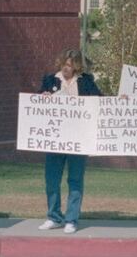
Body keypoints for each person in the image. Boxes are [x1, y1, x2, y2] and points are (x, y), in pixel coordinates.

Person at [37, 49, 102, 234]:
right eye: (64, 64)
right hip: (55, 138)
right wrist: (43, 96)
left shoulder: (86, 81)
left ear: (77, 67)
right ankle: (54, 217)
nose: (66, 68)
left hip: (78, 139)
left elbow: (100, 102)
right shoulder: (50, 80)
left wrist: (120, 100)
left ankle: (71, 219)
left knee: (75, 180)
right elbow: (36, 102)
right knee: (51, 179)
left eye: (70, 65)